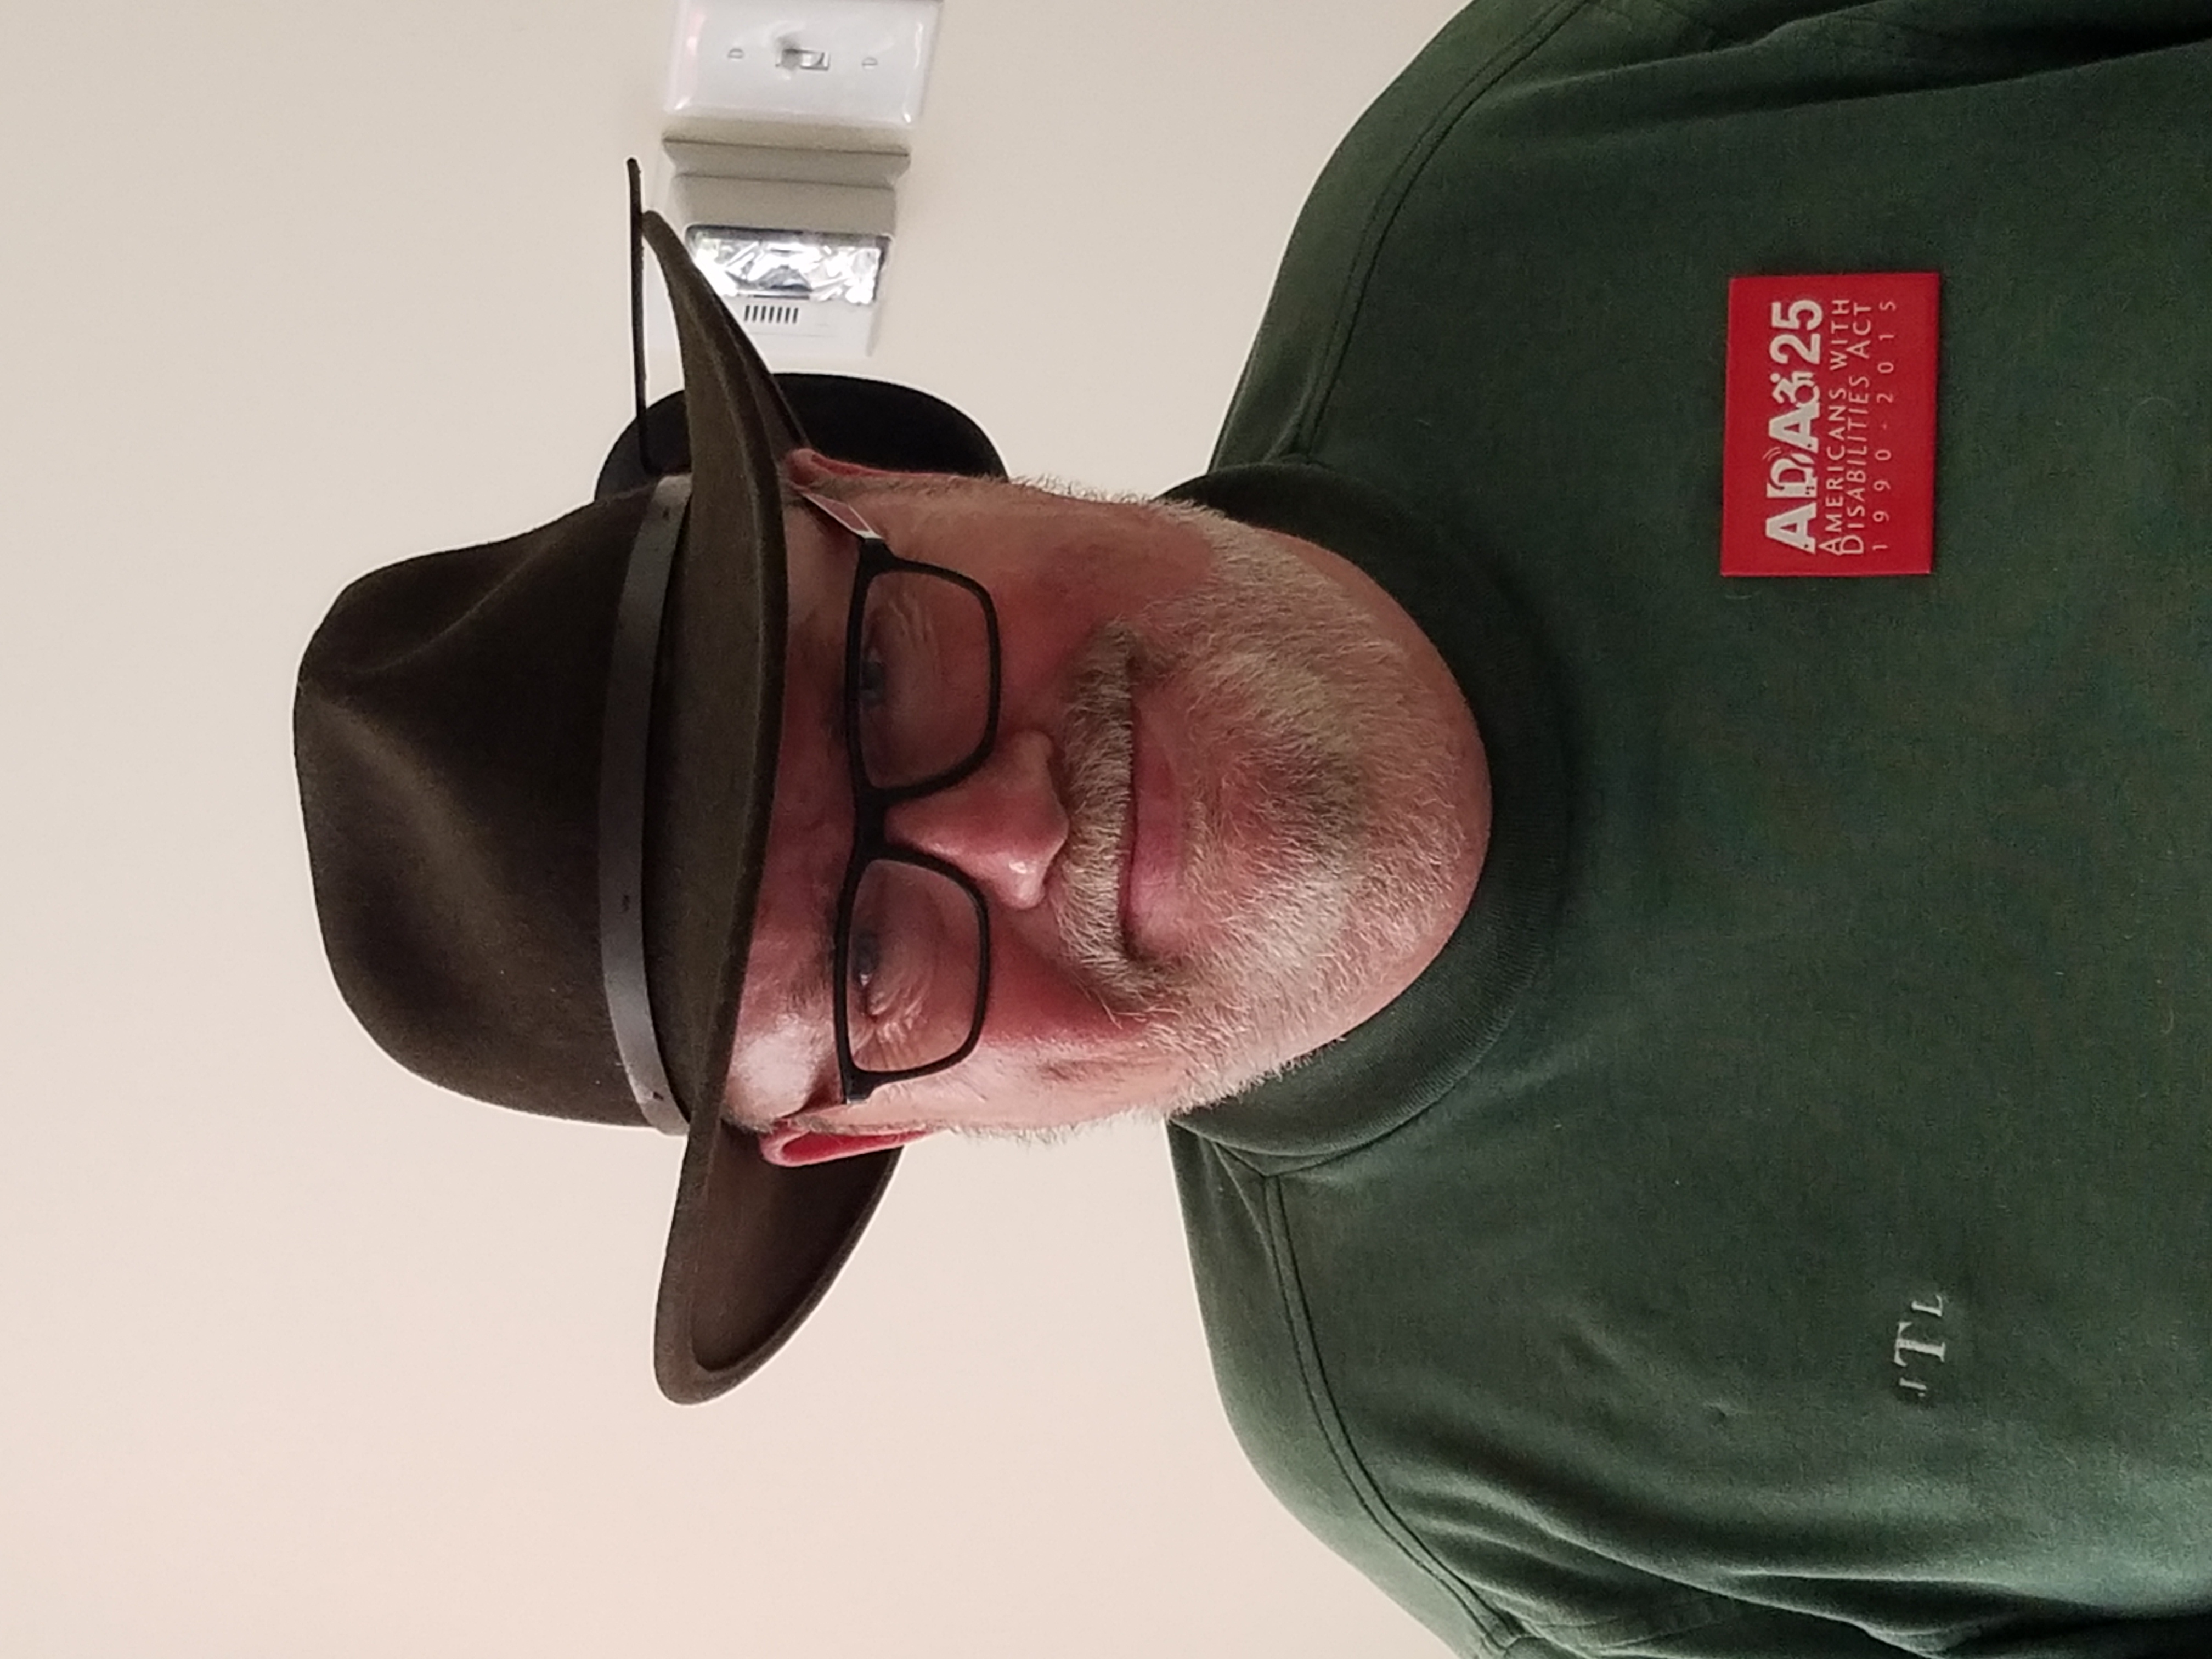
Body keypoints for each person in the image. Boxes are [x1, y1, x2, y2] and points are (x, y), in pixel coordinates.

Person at [295, 3, 2212, 1654]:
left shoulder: (1548, 141)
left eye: (879, 675)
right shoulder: (1478, 1483)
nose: (1018, 834)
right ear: (863, 1123)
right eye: (872, 960)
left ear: (858, 475)